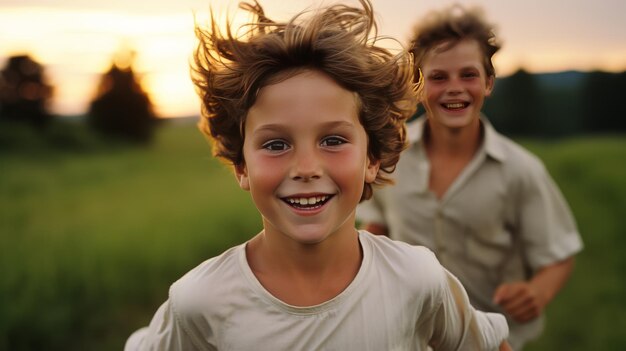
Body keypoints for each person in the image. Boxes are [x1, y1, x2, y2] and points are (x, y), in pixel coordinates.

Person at [124, 0, 512, 350]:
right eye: (276, 145)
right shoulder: (200, 301)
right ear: (242, 166)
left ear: (371, 158)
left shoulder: (416, 279)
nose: (306, 168)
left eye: (332, 140)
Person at [357, 4, 583, 350]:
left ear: (489, 82)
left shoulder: (520, 170)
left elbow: (559, 252)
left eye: (468, 75)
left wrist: (538, 291)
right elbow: (376, 233)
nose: (454, 88)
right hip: (411, 338)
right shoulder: (390, 157)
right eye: (438, 77)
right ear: (418, 86)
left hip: (494, 341)